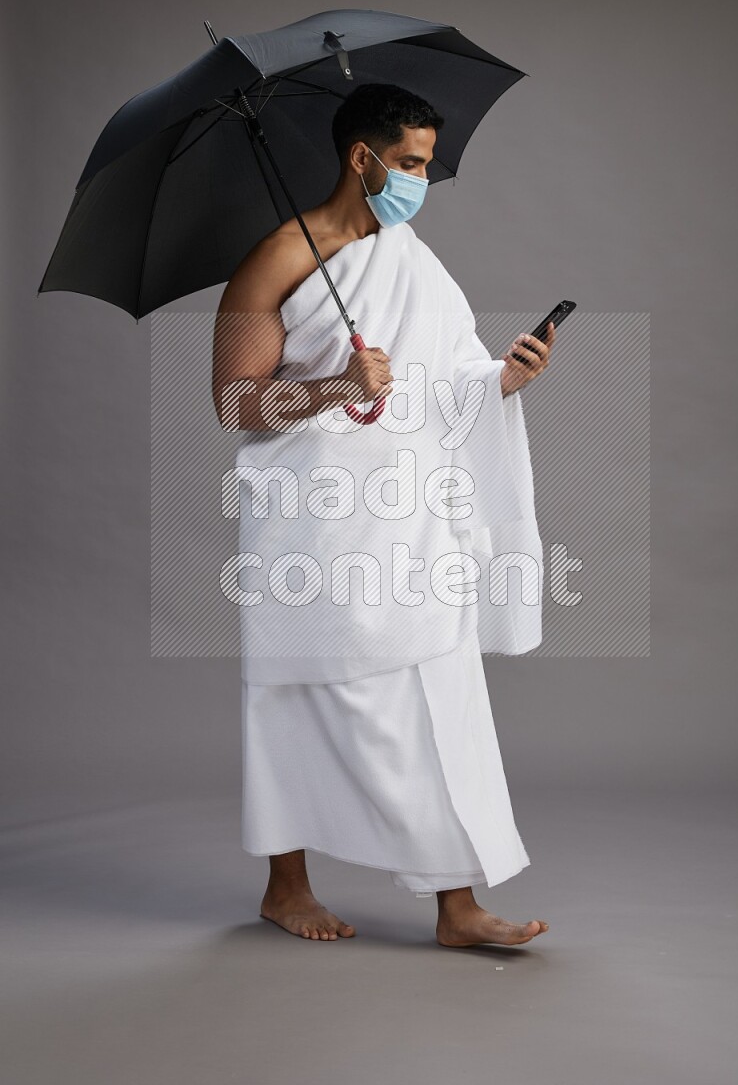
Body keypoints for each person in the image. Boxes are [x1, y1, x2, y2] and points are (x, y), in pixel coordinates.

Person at [212, 84, 555, 947]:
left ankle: (457, 907)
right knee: (293, 694)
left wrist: (501, 380)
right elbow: (232, 403)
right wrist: (335, 386)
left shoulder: (409, 255)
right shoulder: (275, 258)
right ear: (361, 158)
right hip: (312, 520)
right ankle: (284, 888)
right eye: (409, 163)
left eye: (427, 165)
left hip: (410, 515)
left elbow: (445, 382)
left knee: (442, 696)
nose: (420, 182)